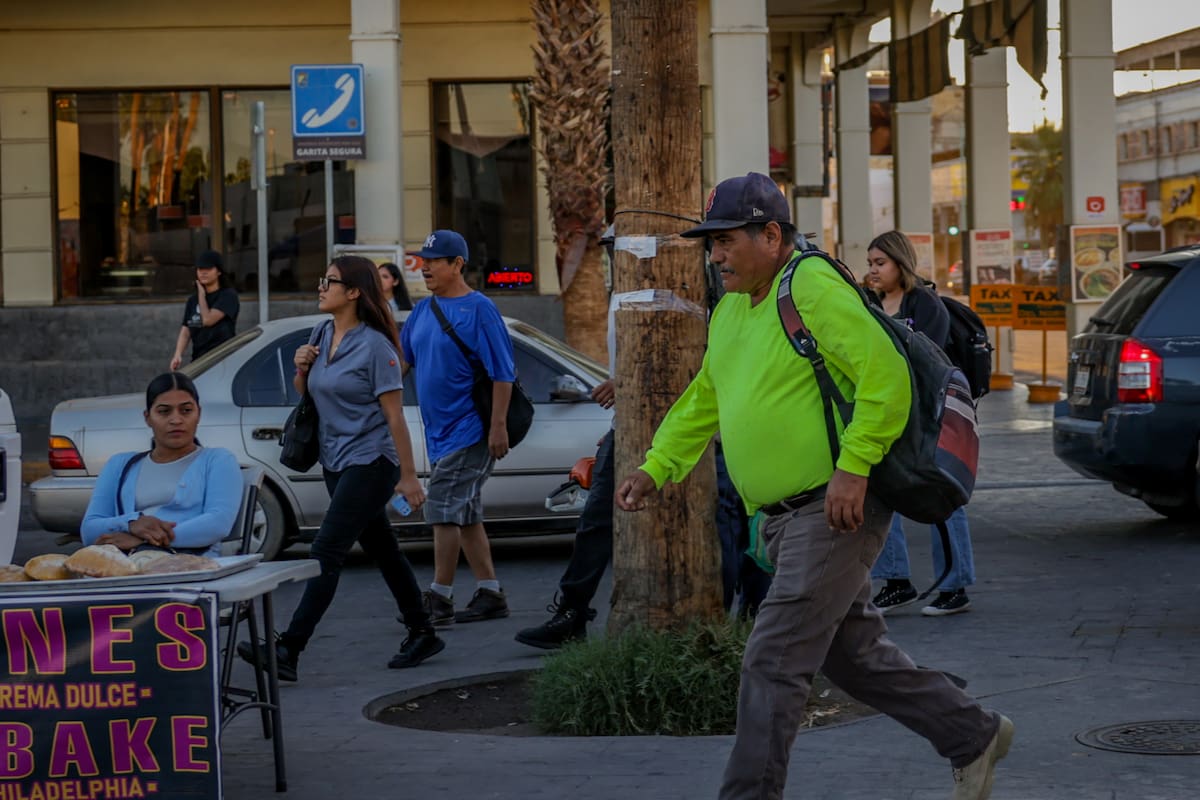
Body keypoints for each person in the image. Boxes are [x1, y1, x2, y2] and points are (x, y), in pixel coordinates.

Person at [614, 173, 1012, 800]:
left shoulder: (811, 285)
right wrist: (655, 465)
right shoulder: (730, 312)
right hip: (783, 518)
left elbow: (884, 377)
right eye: (709, 244)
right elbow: (704, 400)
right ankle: (973, 734)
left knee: (771, 660)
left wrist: (854, 469)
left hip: (831, 509)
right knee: (853, 656)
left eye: (725, 241)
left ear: (771, 235)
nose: (715, 256)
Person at [238, 255, 440, 682]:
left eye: (329, 281)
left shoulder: (377, 347)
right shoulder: (321, 332)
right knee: (383, 549)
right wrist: (301, 367)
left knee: (325, 553)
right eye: (322, 279)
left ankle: (289, 649)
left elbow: (394, 418)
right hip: (334, 460)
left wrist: (407, 477)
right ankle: (422, 629)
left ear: (353, 292)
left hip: (372, 462)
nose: (320, 287)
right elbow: (307, 394)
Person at [400, 230, 514, 626]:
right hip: (438, 432)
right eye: (423, 260)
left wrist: (497, 426)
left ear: (458, 264)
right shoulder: (422, 311)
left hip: (472, 430)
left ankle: (439, 599)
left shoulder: (479, 309)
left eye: (434, 260)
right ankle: (490, 593)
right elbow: (401, 363)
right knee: (465, 513)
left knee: (442, 510)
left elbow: (503, 373)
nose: (424, 267)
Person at [864, 230, 977, 616]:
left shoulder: (925, 303)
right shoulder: (871, 302)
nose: (873, 271)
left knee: (940, 492)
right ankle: (896, 580)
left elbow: (927, 359)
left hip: (929, 416)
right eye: (870, 264)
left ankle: (954, 583)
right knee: (882, 489)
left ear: (900, 263)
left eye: (881, 263)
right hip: (888, 412)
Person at [81, 372, 241, 558]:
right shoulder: (120, 465)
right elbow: (89, 531)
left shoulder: (218, 460)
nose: (176, 420)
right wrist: (132, 523)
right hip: (129, 572)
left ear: (199, 414)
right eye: (164, 411)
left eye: (186, 410)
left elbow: (218, 524)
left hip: (192, 570)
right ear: (148, 418)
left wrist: (144, 541)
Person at [170, 250, 240, 369]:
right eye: (200, 269)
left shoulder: (228, 296)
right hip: (199, 361)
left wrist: (201, 295)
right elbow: (186, 330)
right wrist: (178, 354)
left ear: (218, 271)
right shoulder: (192, 300)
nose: (203, 272)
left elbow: (207, 319)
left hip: (223, 361)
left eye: (208, 268)